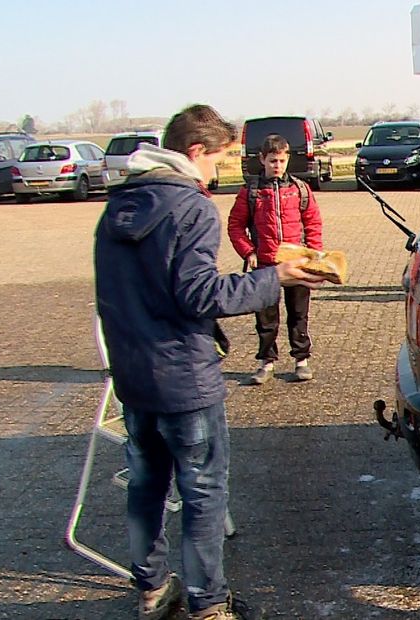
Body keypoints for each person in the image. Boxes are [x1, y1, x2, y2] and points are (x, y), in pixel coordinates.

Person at [94, 104, 323, 620]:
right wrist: (277, 278)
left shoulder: (116, 207)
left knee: (146, 486)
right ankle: (207, 603)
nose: (218, 172)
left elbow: (113, 296)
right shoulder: (189, 208)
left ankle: (152, 590)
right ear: (194, 153)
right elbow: (200, 295)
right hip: (183, 378)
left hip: (134, 376)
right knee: (202, 493)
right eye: (217, 160)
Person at [228, 134, 324, 385]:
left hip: (297, 263)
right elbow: (235, 226)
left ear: (288, 159)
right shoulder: (250, 191)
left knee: (299, 315)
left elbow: (312, 223)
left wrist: (313, 254)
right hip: (265, 266)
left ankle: (301, 360)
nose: (277, 165)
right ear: (262, 159)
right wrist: (248, 252)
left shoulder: (300, 189)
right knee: (266, 319)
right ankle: (266, 361)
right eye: (272, 160)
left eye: (281, 160)